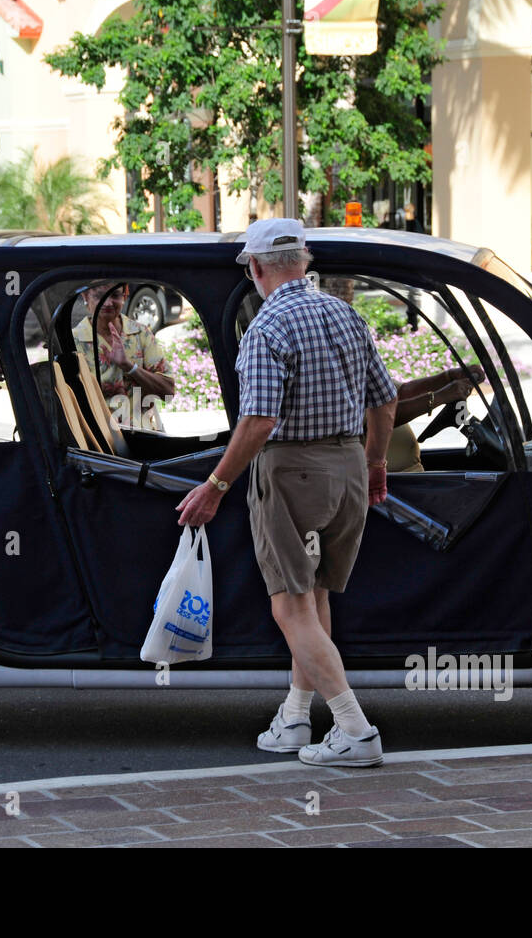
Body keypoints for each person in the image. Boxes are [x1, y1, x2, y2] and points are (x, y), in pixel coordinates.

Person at [176, 218, 398, 768]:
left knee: (290, 606)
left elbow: (258, 421)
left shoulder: (267, 328)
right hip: (348, 465)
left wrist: (215, 486)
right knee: (316, 596)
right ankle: (296, 716)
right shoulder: (346, 314)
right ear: (304, 259)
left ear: (255, 268)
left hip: (291, 473)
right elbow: (386, 400)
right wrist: (373, 463)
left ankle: (355, 730)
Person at [72, 280, 175, 431]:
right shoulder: (73, 341)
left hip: (146, 434)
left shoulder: (141, 334)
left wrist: (129, 366)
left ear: (125, 295)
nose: (107, 303)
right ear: (85, 296)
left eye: (115, 295)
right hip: (101, 441)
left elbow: (168, 392)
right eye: (99, 296)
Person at [388, 364, 487, 472]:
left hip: (411, 474)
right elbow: (378, 416)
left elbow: (402, 392)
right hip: (388, 481)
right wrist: (441, 396)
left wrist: (450, 376)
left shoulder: (368, 357)